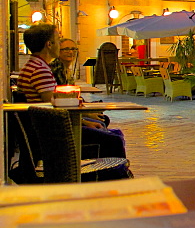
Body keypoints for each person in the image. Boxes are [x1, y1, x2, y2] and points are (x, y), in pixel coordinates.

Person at [17, 26, 127, 159]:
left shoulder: (35, 66)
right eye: (58, 40)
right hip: (52, 133)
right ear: (49, 44)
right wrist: (83, 121)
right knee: (113, 141)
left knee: (109, 133)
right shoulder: (40, 70)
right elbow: (53, 109)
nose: (60, 45)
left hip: (45, 129)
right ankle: (113, 177)